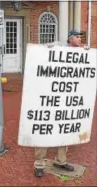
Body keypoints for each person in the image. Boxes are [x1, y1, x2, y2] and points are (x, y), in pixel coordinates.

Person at [34, 29, 89, 177]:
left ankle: (61, 161)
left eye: (80, 37)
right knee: (45, 130)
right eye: (77, 37)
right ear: (70, 38)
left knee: (64, 130)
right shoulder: (59, 49)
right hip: (52, 98)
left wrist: (86, 54)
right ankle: (39, 164)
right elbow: (43, 53)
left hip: (68, 99)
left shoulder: (82, 53)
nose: (79, 39)